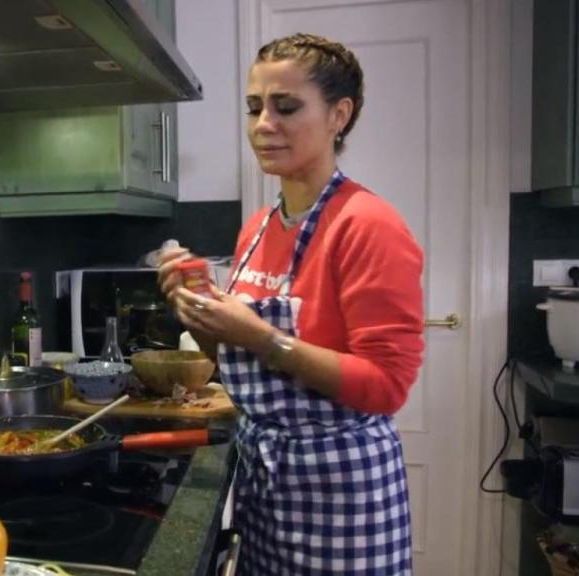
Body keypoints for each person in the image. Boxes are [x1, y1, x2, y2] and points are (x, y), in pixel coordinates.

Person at [158, 33, 423, 575]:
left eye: (286, 107)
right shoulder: (257, 227)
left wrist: (258, 334)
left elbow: (386, 385)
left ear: (338, 116)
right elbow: (240, 364)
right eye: (254, 107)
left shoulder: (367, 225)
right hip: (267, 486)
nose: (264, 124)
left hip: (343, 496)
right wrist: (199, 313)